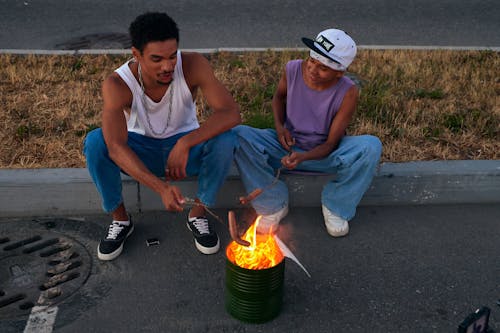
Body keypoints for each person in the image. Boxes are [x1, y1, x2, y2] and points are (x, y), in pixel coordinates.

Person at [83, 12, 241, 260]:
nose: (167, 66)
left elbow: (230, 113)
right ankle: (121, 220)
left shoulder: (193, 64)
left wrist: (185, 142)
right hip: (141, 151)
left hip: (186, 151)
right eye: (156, 59)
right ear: (136, 54)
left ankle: (198, 214)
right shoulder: (117, 84)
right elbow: (115, 147)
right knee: (95, 142)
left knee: (226, 138)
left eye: (171, 56)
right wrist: (161, 188)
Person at [234, 28, 382, 236]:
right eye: (312, 60)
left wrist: (303, 157)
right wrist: (279, 129)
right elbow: (278, 98)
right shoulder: (293, 69)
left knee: (371, 146)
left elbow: (331, 144)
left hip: (324, 154)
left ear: (339, 72)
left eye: (323, 68)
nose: (312, 69)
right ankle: (273, 203)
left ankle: (336, 206)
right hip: (287, 149)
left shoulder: (348, 91)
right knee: (239, 135)